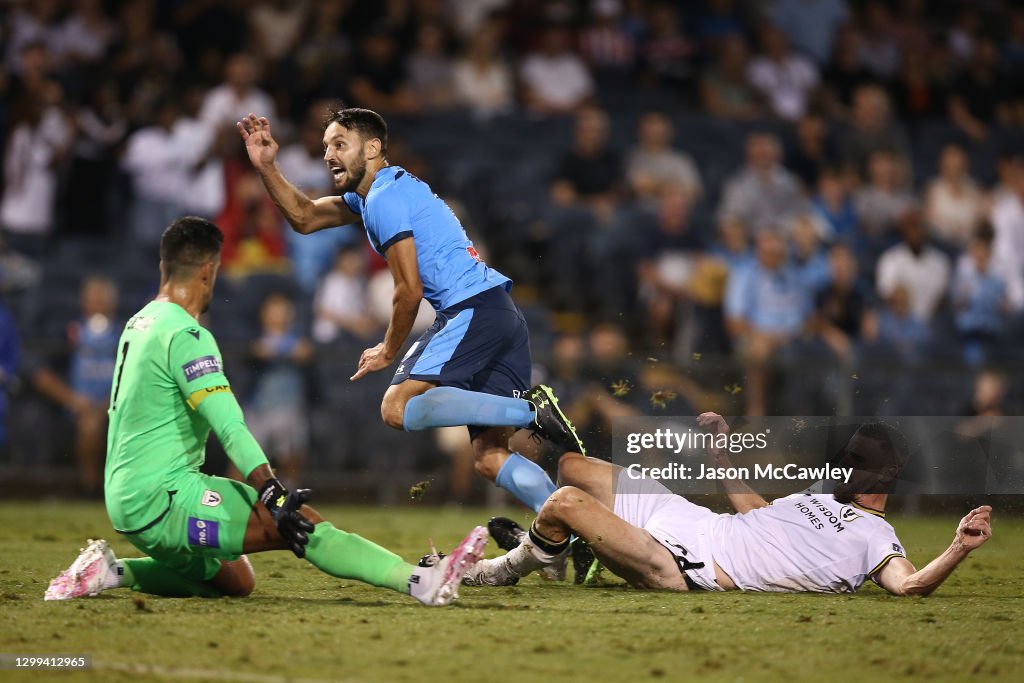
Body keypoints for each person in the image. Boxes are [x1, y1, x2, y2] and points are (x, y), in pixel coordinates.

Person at [44, 217, 487, 606]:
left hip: (125, 497)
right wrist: (271, 491)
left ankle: (110, 571)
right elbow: (229, 424)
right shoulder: (186, 335)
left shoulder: (139, 322)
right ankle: (421, 581)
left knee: (236, 579)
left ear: (165, 267)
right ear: (209, 270)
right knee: (299, 524)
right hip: (163, 498)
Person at [238, 108, 585, 515]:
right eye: (325, 146)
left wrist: (387, 350)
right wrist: (267, 166)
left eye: (339, 144)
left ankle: (530, 411)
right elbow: (305, 216)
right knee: (490, 457)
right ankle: (567, 522)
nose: (328, 154)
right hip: (500, 312)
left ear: (372, 148)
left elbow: (409, 290)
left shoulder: (384, 198)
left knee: (395, 408)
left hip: (469, 310)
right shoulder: (378, 193)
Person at [467, 414, 993, 596]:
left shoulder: (876, 538)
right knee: (574, 468)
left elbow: (911, 585)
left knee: (564, 502)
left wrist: (957, 548)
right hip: (691, 521)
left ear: (885, 475)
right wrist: (720, 450)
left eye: (857, 459)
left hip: (684, 564)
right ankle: (556, 554)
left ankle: (504, 569)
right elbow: (754, 511)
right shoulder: (818, 496)